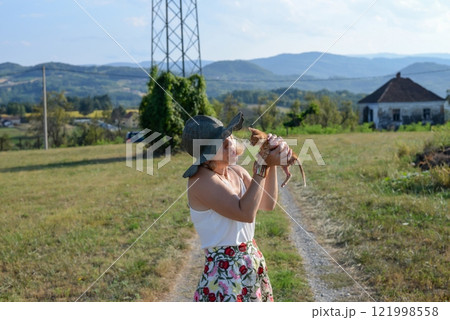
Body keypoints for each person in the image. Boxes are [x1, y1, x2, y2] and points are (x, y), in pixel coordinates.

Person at [181, 111, 292, 302]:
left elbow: (267, 203)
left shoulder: (237, 172)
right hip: (224, 276)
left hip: (251, 263)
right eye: (222, 144)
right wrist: (261, 167)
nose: (231, 145)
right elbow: (245, 212)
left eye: (229, 138)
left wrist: (270, 158)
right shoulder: (199, 181)